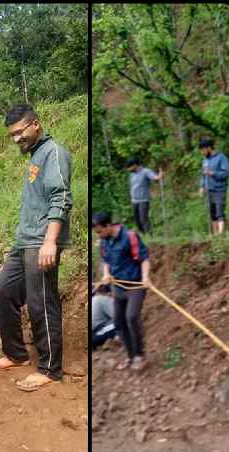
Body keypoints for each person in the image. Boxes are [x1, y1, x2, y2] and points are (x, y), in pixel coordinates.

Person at [0, 103, 73, 392]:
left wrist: (50, 241)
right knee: (3, 292)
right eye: (12, 135)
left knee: (41, 302)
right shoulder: (36, 155)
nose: (16, 139)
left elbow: (61, 198)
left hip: (42, 240)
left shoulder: (53, 153)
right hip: (25, 240)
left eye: (19, 132)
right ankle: (15, 353)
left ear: (35, 124)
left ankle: (50, 369)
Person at [93, 211, 151, 371]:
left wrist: (145, 278)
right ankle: (131, 356)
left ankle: (140, 355)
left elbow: (144, 258)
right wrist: (106, 274)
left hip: (135, 286)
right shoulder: (104, 241)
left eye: (99, 231)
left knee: (131, 317)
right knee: (119, 322)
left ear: (108, 225)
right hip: (117, 287)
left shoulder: (130, 236)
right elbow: (106, 260)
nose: (98, 235)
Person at [198, 138, 229, 235]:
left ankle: (221, 234)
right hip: (209, 190)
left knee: (219, 212)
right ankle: (215, 235)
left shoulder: (221, 158)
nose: (202, 152)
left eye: (203, 150)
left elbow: (226, 173)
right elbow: (203, 175)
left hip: (219, 190)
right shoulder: (205, 160)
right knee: (212, 214)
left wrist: (212, 173)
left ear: (209, 148)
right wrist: (201, 186)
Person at [125, 156, 163, 235]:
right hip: (134, 200)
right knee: (137, 220)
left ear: (135, 165)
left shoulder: (146, 171)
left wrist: (159, 176)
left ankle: (150, 235)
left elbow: (155, 178)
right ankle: (143, 236)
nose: (128, 169)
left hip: (143, 200)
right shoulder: (132, 174)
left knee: (143, 219)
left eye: (129, 167)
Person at [91, 284, 118, 351]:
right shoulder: (104, 299)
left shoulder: (94, 299)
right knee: (121, 322)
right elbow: (117, 316)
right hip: (95, 334)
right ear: (109, 293)